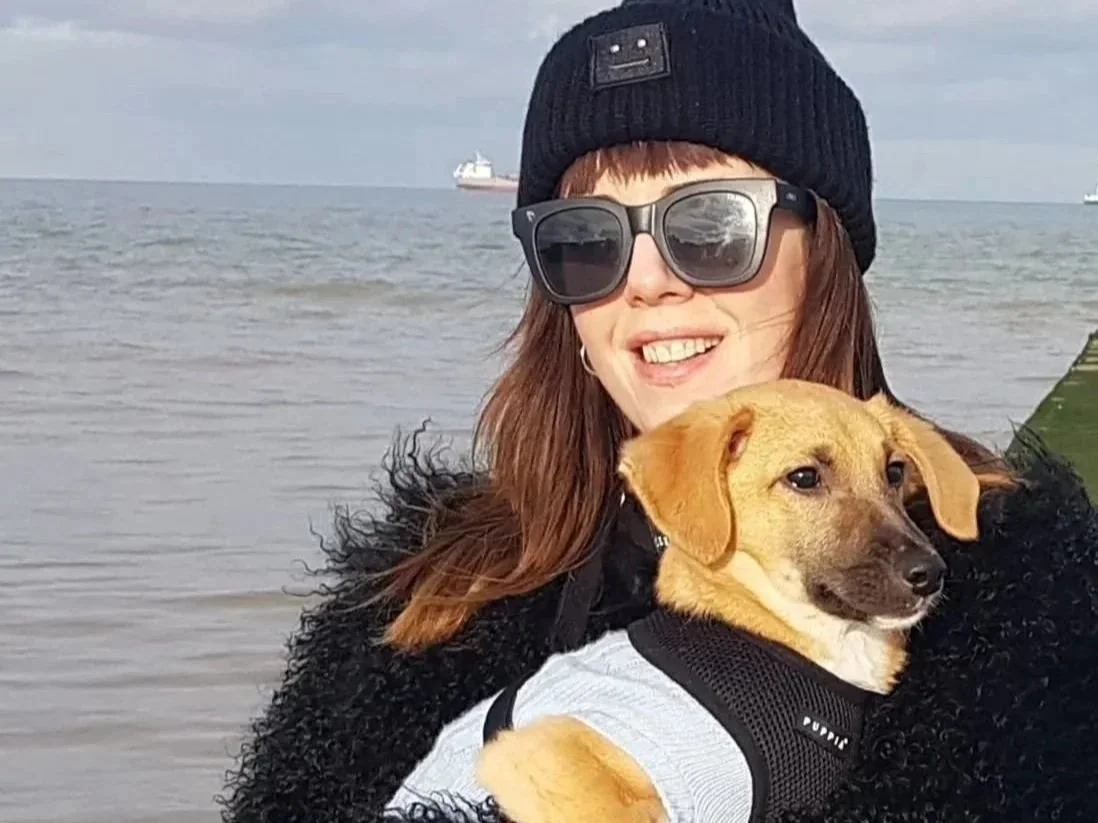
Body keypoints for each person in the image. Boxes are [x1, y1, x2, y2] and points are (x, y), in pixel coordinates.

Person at [217, 1, 1098, 821]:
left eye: (710, 226)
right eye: (586, 239)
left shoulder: (1028, 611)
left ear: (824, 251)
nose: (646, 281)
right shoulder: (422, 600)